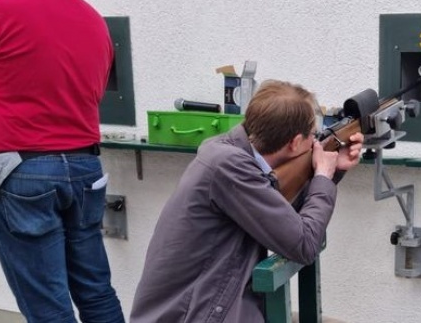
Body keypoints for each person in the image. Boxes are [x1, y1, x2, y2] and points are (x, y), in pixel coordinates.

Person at [130, 79, 364, 323]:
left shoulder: (232, 155)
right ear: (295, 143)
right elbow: (304, 244)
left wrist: (333, 171)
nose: (316, 142)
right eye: (313, 136)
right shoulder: (230, 167)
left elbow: (283, 222)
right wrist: (323, 177)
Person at [0, 0, 125, 323]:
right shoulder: (94, 21)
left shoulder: (0, 10)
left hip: (23, 175)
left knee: (48, 310)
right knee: (97, 294)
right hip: (86, 172)